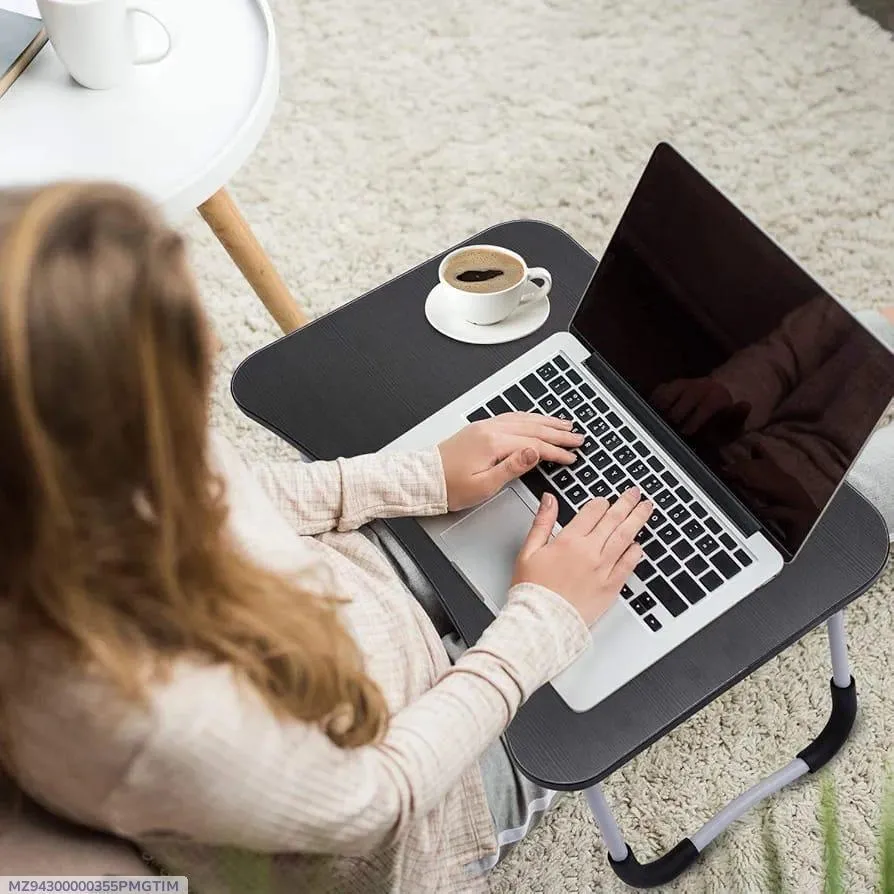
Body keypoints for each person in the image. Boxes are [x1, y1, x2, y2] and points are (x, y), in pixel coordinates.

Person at [0, 183, 652, 893]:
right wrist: (539, 626)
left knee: (555, 528)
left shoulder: (68, 470)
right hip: (426, 798)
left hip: (352, 608)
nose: (215, 342)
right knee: (641, 631)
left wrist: (421, 476)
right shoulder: (160, 720)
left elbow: (236, 490)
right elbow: (383, 798)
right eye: (189, 338)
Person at [652, 296, 894, 545]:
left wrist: (824, 537)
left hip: (806, 528)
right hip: (741, 457)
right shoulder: (865, 293)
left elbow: (871, 526)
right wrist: (726, 392)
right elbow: (786, 356)